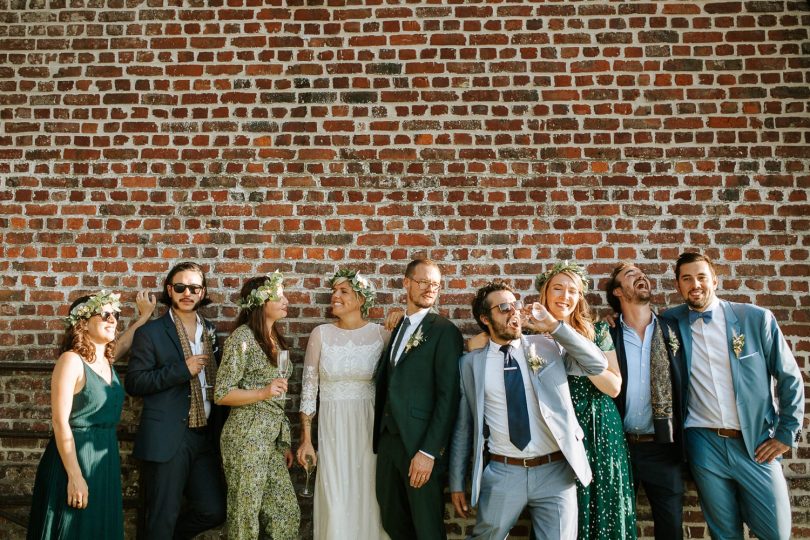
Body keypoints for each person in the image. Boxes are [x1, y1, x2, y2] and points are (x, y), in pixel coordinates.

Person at [449, 280, 608, 540]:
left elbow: (598, 364)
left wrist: (556, 328)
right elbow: (464, 427)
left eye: (515, 305)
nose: (513, 312)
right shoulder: (470, 365)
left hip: (555, 471)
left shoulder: (547, 346)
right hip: (503, 472)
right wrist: (457, 482)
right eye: (503, 307)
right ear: (485, 318)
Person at [661, 252, 804, 540]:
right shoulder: (669, 322)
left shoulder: (755, 318)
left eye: (701, 276)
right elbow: (637, 327)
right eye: (687, 279)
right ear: (678, 286)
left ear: (715, 279)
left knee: (777, 533)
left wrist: (786, 433)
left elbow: (789, 376)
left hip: (756, 443)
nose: (695, 284)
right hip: (704, 443)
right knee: (724, 534)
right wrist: (614, 318)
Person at [125, 262, 227, 540]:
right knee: (162, 515)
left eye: (194, 288)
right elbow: (135, 382)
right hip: (169, 436)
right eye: (180, 287)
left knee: (213, 510)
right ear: (170, 290)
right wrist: (183, 369)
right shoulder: (152, 332)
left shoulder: (210, 330)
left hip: (204, 436)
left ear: (202, 292)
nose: (187, 293)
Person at [373, 258, 463, 540]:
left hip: (420, 447)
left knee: (427, 530)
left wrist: (428, 452)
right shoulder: (398, 326)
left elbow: (449, 397)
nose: (429, 289)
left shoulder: (444, 331)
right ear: (406, 283)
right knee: (392, 521)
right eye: (423, 282)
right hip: (389, 443)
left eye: (435, 284)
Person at [297, 268, 390, 540]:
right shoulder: (321, 334)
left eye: (343, 291)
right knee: (335, 500)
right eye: (333, 291)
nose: (334, 296)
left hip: (369, 429)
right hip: (333, 430)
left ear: (361, 299)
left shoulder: (381, 335)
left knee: (369, 497)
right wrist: (306, 439)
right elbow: (308, 388)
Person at [28, 291, 126, 539]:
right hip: (75, 459)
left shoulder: (106, 362)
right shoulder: (71, 361)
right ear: (82, 322)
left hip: (105, 457)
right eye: (105, 314)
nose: (113, 319)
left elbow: (125, 342)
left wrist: (144, 318)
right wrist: (75, 476)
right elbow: (60, 422)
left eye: (115, 314)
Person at [215, 272, 300, 539]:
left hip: (271, 437)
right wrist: (263, 391)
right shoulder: (243, 337)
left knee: (285, 511)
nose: (286, 300)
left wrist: (282, 442)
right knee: (245, 514)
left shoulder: (276, 338)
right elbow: (221, 393)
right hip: (246, 434)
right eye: (279, 296)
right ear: (260, 302)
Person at [605, 262, 686, 540]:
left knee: (671, 527)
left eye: (642, 274)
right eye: (631, 275)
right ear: (617, 291)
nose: (641, 276)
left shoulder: (674, 329)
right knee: (615, 525)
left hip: (663, 446)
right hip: (618, 446)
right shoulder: (607, 333)